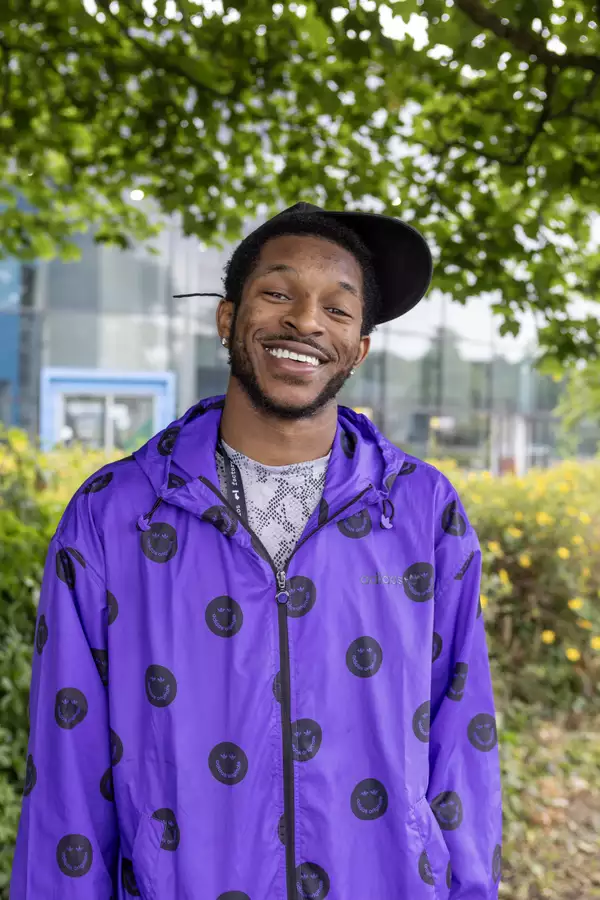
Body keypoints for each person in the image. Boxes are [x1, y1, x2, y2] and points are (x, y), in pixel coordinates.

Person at [11, 202, 502, 899]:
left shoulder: (422, 512)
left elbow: (463, 741)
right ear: (226, 318)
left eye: (338, 308)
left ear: (358, 348)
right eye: (278, 293)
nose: (306, 320)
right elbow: (66, 769)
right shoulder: (112, 515)